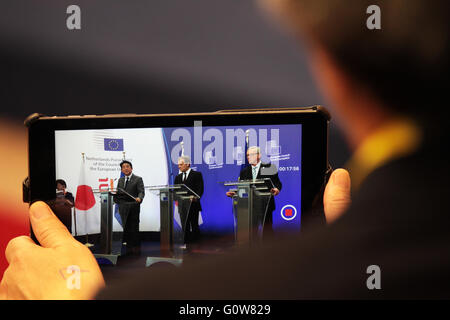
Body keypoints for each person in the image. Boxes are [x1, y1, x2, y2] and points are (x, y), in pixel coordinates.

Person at [1, 0, 450, 299]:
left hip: (258, 228)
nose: (253, 159)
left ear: (333, 68)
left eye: (255, 157)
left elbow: (257, 191)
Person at [226, 146, 282, 237]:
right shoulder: (244, 171)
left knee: (267, 232)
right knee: (252, 232)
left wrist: (277, 189)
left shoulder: (269, 167)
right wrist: (234, 193)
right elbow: (242, 188)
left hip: (266, 204)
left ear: (259, 155)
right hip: (251, 206)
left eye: (251, 155)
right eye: (247, 155)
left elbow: (278, 183)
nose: (248, 157)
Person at [113, 160, 145, 256]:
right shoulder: (120, 180)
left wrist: (140, 197)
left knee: (134, 227)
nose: (125, 168)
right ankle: (128, 247)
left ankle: (135, 248)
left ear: (131, 168)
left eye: (127, 166)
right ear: (122, 170)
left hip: (134, 206)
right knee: (126, 227)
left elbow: (141, 191)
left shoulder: (138, 179)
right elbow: (119, 193)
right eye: (123, 167)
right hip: (123, 207)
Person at [174, 156, 204, 247]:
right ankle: (185, 243)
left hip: (193, 204)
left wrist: (196, 197)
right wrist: (176, 197)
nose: (179, 166)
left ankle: (197, 245)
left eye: (181, 164)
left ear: (187, 164)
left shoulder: (196, 174)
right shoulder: (178, 177)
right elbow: (176, 190)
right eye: (178, 165)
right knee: (184, 225)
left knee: (194, 225)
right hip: (182, 205)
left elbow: (200, 188)